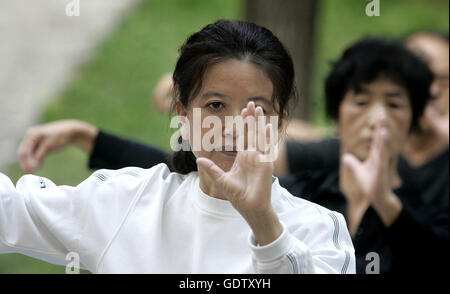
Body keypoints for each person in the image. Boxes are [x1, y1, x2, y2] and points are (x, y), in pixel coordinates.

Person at [0, 20, 355, 274]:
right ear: (183, 115)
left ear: (281, 121)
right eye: (215, 105)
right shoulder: (127, 202)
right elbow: (9, 214)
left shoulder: (319, 230)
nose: (233, 126)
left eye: (256, 110)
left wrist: (262, 221)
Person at [281, 38, 448, 273]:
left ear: (411, 123)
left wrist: (385, 202)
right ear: (336, 120)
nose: (377, 118)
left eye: (394, 104)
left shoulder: (431, 215)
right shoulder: (294, 196)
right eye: (361, 102)